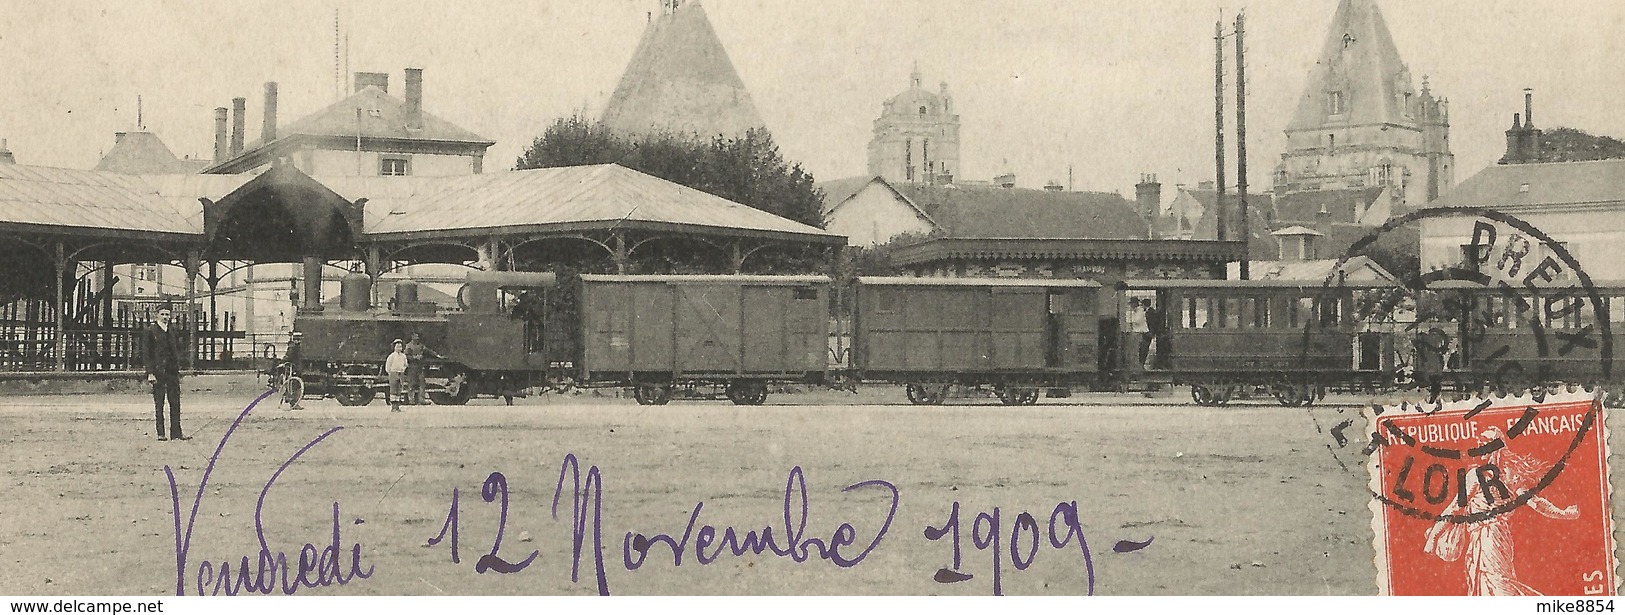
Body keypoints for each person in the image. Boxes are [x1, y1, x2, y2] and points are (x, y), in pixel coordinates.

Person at [1424, 426, 1580, 595]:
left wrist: (1433, 538)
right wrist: (1564, 513)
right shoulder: (1507, 473)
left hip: (1488, 540)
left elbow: (1454, 508)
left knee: (1496, 588)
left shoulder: (1478, 475)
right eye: (1480, 442)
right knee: (1489, 588)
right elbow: (1535, 503)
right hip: (1495, 537)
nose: (1479, 445)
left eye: (1485, 442)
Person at [141, 306, 188, 441]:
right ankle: (161, 433)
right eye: (163, 314)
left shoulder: (172, 330)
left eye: (168, 314)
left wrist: (178, 365)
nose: (166, 317)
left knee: (175, 402)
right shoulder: (150, 331)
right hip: (158, 372)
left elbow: (177, 349)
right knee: (159, 402)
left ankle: (176, 433)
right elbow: (146, 354)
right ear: (157, 315)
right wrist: (150, 372)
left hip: (172, 371)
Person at [404, 332, 440, 405]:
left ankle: (422, 399)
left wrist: (437, 355)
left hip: (420, 366)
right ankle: (411, 400)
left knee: (422, 383)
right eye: (415, 337)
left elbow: (428, 351)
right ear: (412, 337)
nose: (417, 338)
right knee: (411, 384)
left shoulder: (421, 346)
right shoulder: (408, 346)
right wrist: (414, 357)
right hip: (412, 366)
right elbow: (406, 356)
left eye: (417, 337)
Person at [281, 332, 304, 410]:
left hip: (296, 368)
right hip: (294, 368)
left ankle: (290, 399)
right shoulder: (294, 347)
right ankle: (293, 402)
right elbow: (289, 357)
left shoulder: (295, 347)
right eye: (298, 339)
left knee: (294, 385)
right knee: (294, 386)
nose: (299, 341)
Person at [385, 339, 409, 412]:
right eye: (397, 347)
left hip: (400, 373)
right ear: (394, 347)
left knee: (399, 390)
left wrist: (402, 370)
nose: (399, 348)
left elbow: (405, 364)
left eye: (400, 347)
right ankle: (393, 407)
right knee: (393, 390)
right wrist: (391, 373)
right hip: (393, 373)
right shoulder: (391, 356)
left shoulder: (403, 356)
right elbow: (388, 366)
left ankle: (397, 406)